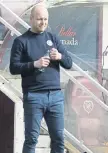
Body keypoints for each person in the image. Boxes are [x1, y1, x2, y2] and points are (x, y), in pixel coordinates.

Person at [9, 4, 72, 153]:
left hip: (55, 96)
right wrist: (34, 64)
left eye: (45, 19)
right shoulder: (21, 41)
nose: (43, 22)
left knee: (58, 139)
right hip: (34, 96)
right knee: (31, 139)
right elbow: (13, 68)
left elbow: (69, 63)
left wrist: (60, 56)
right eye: (39, 19)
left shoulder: (53, 38)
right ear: (31, 19)